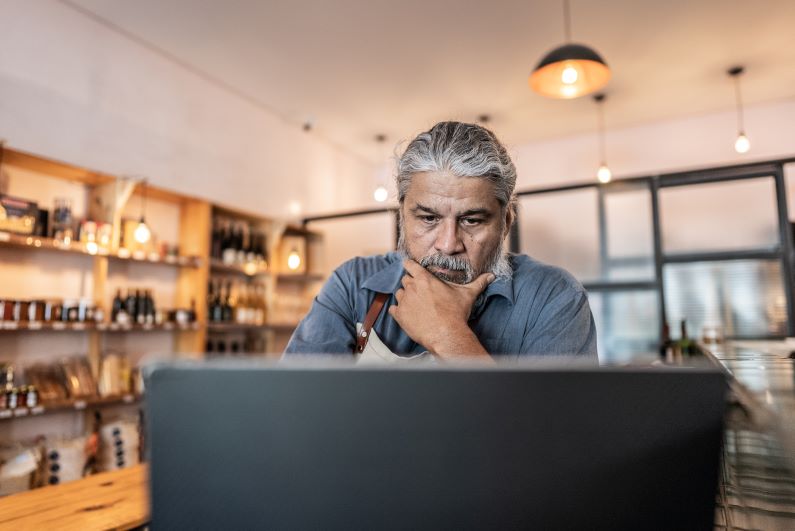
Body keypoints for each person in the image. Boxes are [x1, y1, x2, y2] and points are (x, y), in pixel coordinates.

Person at [285, 121, 597, 361]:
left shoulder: (553, 298)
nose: (448, 245)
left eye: (472, 220)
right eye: (428, 218)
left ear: (506, 224)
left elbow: (560, 439)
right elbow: (293, 410)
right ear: (403, 219)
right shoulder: (353, 285)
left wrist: (449, 336)